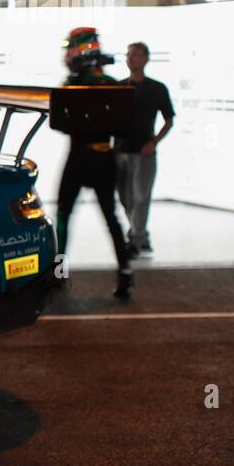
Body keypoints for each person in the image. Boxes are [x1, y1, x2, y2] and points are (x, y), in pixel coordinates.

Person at [55, 28, 133, 300]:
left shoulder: (72, 86)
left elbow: (61, 123)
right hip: (104, 157)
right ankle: (125, 271)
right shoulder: (114, 84)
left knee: (64, 214)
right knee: (111, 217)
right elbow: (125, 126)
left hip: (79, 158)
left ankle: (59, 273)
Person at [117, 42, 175, 257]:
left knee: (141, 197)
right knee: (125, 198)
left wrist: (154, 142)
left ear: (146, 58)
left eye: (137, 55)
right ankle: (142, 234)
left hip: (144, 152)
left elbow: (169, 120)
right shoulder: (118, 87)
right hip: (120, 150)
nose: (132, 58)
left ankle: (135, 240)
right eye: (129, 54)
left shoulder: (157, 88)